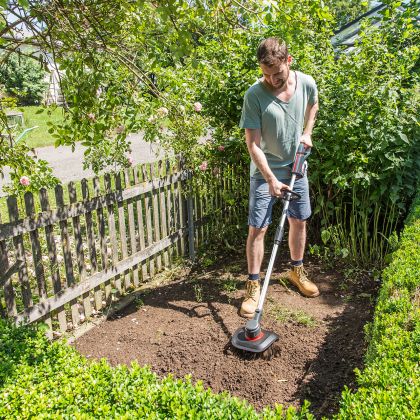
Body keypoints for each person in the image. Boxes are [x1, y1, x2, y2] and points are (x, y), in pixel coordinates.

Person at [239, 37, 320, 319]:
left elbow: (313, 105)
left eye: (277, 73)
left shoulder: (306, 82)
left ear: (289, 61)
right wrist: (271, 179)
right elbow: (253, 145)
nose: (272, 79)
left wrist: (307, 132)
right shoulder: (254, 95)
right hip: (265, 172)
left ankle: (297, 271)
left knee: (299, 220)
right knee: (258, 228)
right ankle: (253, 285)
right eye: (266, 74)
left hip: (297, 165)